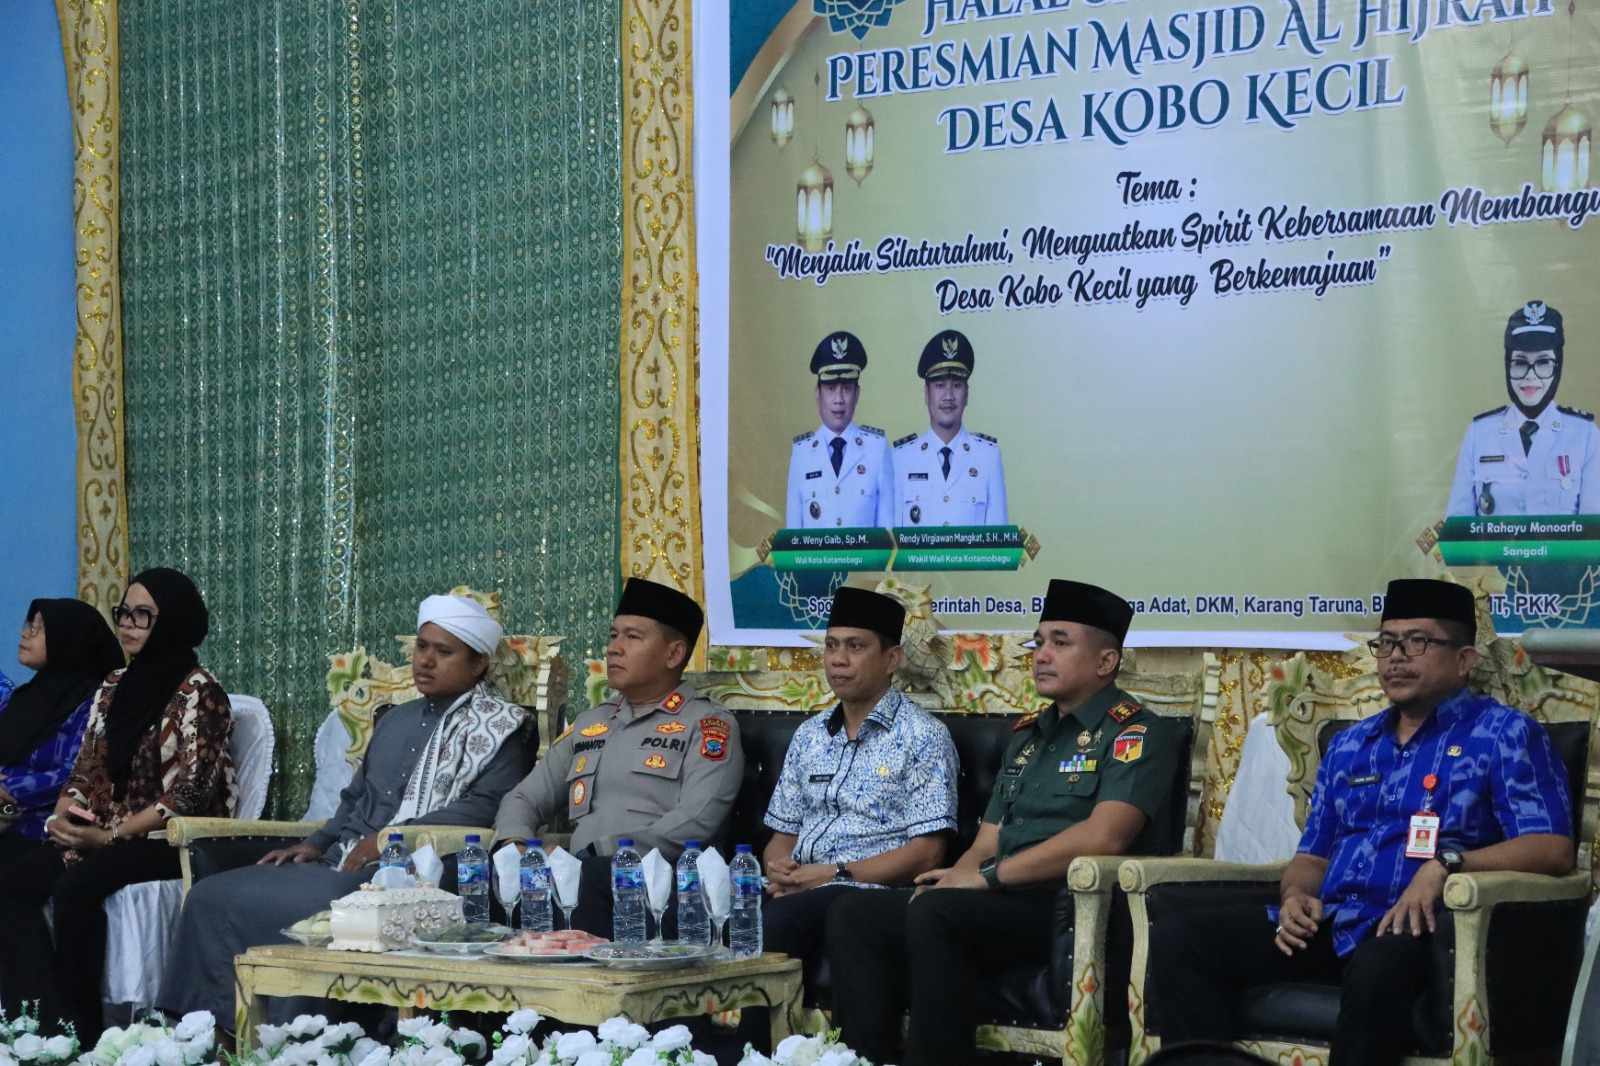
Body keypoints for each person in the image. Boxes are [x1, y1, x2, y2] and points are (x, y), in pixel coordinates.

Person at [1148, 578, 1574, 1066]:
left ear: (1463, 660)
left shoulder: (1504, 734)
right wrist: (1295, 896)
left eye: (1418, 642)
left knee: (1380, 961)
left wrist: (1446, 865)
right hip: (1338, 920)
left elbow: (1552, 847)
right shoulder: (1352, 744)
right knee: (1183, 935)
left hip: (1428, 931)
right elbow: (1312, 855)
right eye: (1387, 643)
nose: (1396, 657)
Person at [825, 579, 1184, 1066]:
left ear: (1105, 661)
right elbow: (986, 841)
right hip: (1000, 897)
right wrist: (956, 879)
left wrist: (986, 878)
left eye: (1060, 643)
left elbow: (1105, 836)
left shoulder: (1137, 733)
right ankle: (862, 1060)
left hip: (1071, 908)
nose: (1041, 655)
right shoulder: (1028, 736)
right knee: (856, 912)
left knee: (937, 915)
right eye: (1039, 642)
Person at [160, 593, 534, 1024]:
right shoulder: (395, 720)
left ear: (478, 664)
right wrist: (315, 843)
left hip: (413, 872)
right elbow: (355, 798)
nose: (425, 661)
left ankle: (301, 1038)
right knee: (209, 894)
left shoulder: (503, 729)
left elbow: (483, 809)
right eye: (421, 647)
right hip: (344, 858)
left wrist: (388, 840)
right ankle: (208, 1032)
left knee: (324, 907)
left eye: (444, 652)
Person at [0, 569, 234, 1037]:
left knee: (76, 889)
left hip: (166, 838)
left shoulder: (200, 691)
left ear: (173, 621)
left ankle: (85, 1032)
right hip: (105, 829)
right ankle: (39, 1024)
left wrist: (109, 835)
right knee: (11, 883)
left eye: (142, 615)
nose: (127, 624)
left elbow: (188, 793)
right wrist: (64, 812)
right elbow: (86, 766)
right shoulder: (113, 686)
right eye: (124, 612)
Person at [490, 578, 743, 934]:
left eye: (632, 637)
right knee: (469, 869)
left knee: (592, 877)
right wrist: (515, 845)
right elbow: (524, 797)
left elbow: (696, 820)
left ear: (673, 654)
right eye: (613, 635)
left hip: (660, 884)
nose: (613, 649)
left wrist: (606, 851)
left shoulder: (707, 724)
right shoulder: (592, 723)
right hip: (580, 875)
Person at [761, 586, 957, 971]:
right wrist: (781, 871)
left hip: (866, 892)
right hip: (801, 885)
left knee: (778, 921)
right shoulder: (809, 735)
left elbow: (927, 853)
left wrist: (832, 875)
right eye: (831, 646)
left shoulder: (923, 735)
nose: (838, 660)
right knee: (714, 910)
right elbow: (782, 837)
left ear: (891, 659)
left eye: (855, 646)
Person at [1447, 301, 1600, 516]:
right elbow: (1458, 525)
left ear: (1558, 366)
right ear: (1507, 365)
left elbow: (1594, 530)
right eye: (1519, 363)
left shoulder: (1585, 436)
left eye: (1543, 362)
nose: (1530, 375)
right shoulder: (1479, 434)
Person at [1, 600, 123, 865]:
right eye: (29, 624)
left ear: (68, 640)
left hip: (44, 828)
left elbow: (75, 772)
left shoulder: (93, 705)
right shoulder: (22, 697)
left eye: (40, 628)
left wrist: (9, 786)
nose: (25, 633)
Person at [892, 330, 1008, 527]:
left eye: (956, 385)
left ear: (967, 394)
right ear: (926, 394)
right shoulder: (901, 458)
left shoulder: (988, 457)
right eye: (939, 385)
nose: (948, 396)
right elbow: (893, 540)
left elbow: (997, 540)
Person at [785, 331, 894, 529]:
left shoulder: (877, 449)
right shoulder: (802, 453)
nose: (839, 399)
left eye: (846, 389)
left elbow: (887, 533)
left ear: (857, 394)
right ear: (818, 394)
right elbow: (794, 535)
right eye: (830, 389)